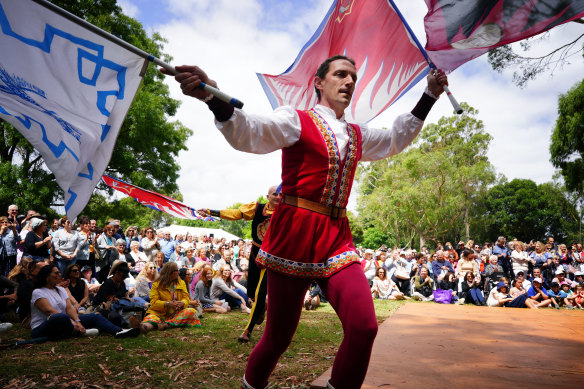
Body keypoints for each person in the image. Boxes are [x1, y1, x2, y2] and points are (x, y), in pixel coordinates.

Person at [164, 54, 448, 389]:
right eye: (341, 75)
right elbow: (250, 132)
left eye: (353, 78)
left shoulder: (357, 135)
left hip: (336, 238)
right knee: (278, 339)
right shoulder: (295, 120)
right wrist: (212, 96)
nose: (349, 82)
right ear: (318, 82)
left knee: (364, 327)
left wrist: (429, 95)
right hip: (294, 235)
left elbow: (395, 139)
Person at [198, 184, 281, 343]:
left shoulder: (286, 211)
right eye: (274, 194)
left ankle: (247, 331)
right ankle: (260, 308)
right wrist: (211, 212)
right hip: (256, 254)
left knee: (260, 292)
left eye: (281, 194)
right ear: (268, 196)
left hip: (271, 258)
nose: (278, 197)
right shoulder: (257, 208)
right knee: (252, 294)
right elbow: (234, 214)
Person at [30, 264, 140, 340]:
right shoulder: (38, 292)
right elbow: (50, 312)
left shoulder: (61, 290)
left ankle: (118, 331)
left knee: (95, 316)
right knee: (59, 317)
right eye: (56, 273)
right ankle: (79, 332)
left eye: (59, 272)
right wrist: (72, 322)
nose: (59, 275)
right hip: (43, 326)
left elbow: (69, 308)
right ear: (46, 277)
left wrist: (77, 321)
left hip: (66, 322)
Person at [140, 262, 201, 333]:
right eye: (176, 270)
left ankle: (166, 325)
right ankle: (144, 327)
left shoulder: (181, 283)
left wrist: (182, 303)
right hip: (159, 313)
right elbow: (154, 303)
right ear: (170, 273)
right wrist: (168, 304)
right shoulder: (156, 285)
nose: (179, 272)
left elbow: (186, 298)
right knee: (151, 318)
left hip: (176, 314)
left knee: (192, 312)